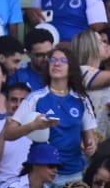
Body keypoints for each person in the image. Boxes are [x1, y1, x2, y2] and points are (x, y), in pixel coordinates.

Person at [14, 44, 100, 180]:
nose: (56, 64)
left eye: (63, 60)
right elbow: (8, 134)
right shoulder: (35, 98)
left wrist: (91, 146)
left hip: (74, 174)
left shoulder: (82, 99)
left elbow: (89, 139)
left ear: (71, 68)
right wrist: (32, 126)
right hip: (43, 174)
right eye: (53, 60)